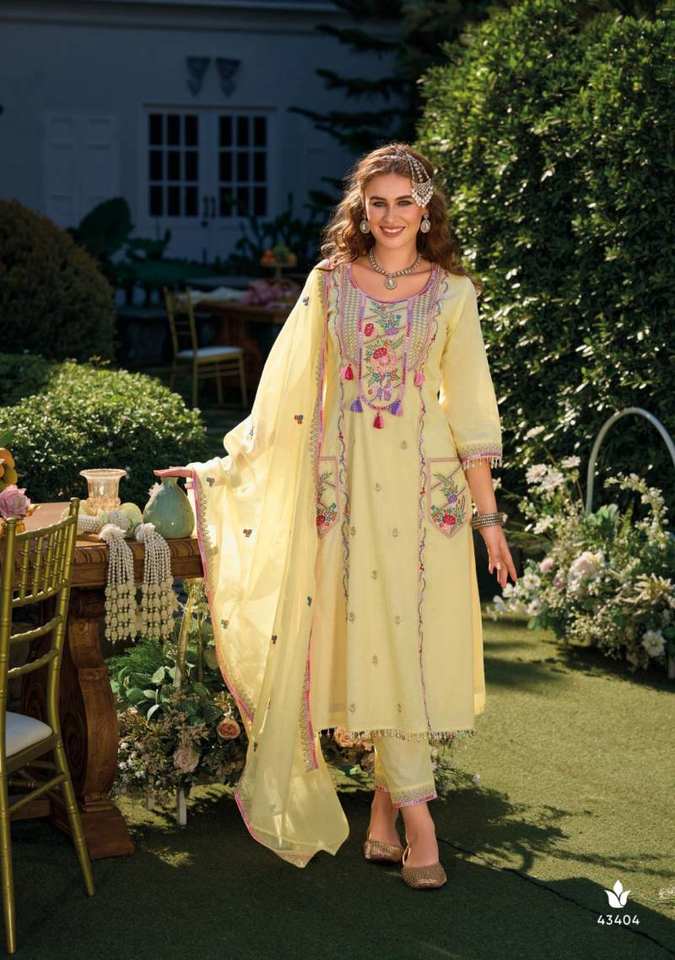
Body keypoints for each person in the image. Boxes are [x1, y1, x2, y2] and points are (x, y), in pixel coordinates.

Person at [155, 142, 517, 888]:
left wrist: (489, 519)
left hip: (426, 501)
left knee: (409, 650)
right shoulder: (329, 285)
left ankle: (390, 819)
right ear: (362, 208)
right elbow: (283, 396)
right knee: (374, 648)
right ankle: (416, 824)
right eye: (377, 202)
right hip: (345, 498)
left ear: (427, 210)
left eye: (405, 202)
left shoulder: (453, 294)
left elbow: (472, 410)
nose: (391, 216)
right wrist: (224, 466)